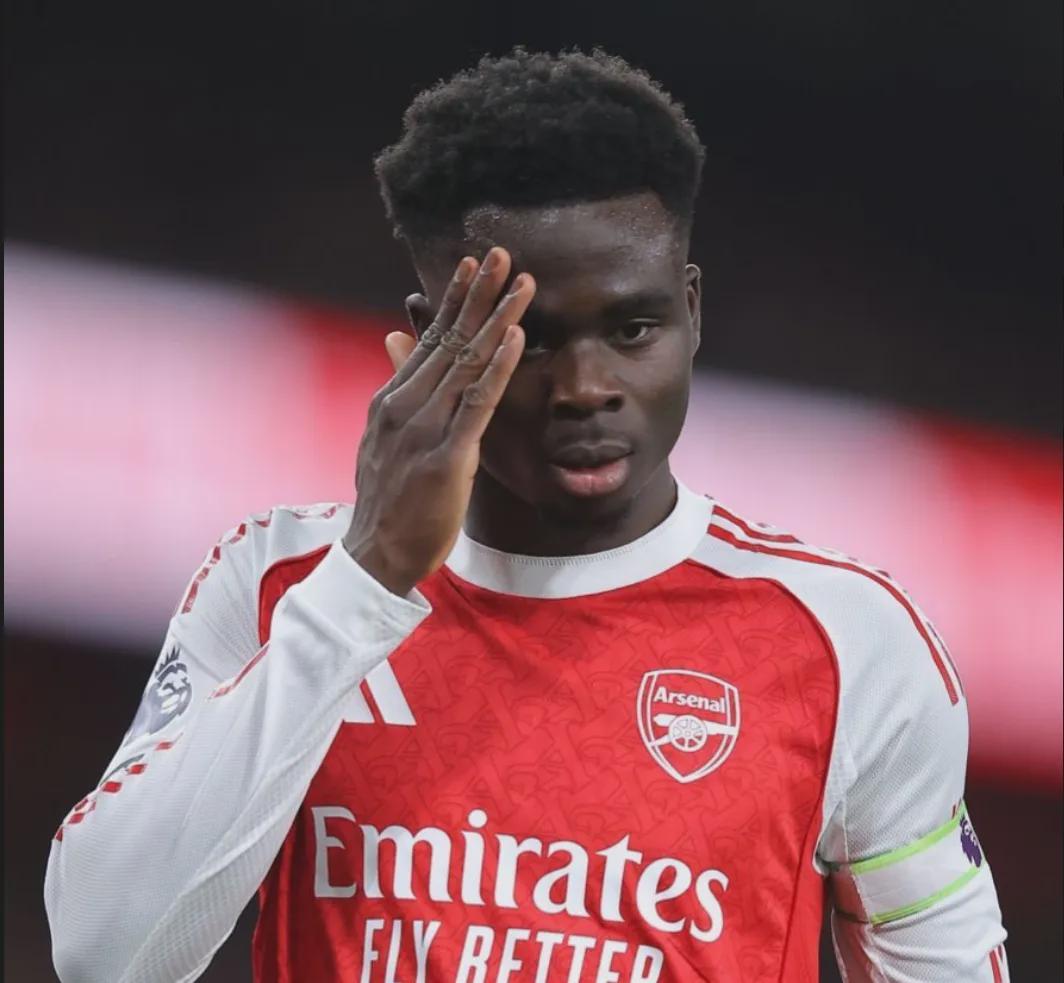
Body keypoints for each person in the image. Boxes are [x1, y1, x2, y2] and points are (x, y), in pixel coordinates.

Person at [45, 47, 1009, 982]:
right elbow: (103, 953)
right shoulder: (281, 583)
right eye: (530, 339)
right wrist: (368, 577)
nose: (587, 387)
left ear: (692, 311)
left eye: (633, 327)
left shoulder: (846, 640)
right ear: (431, 339)